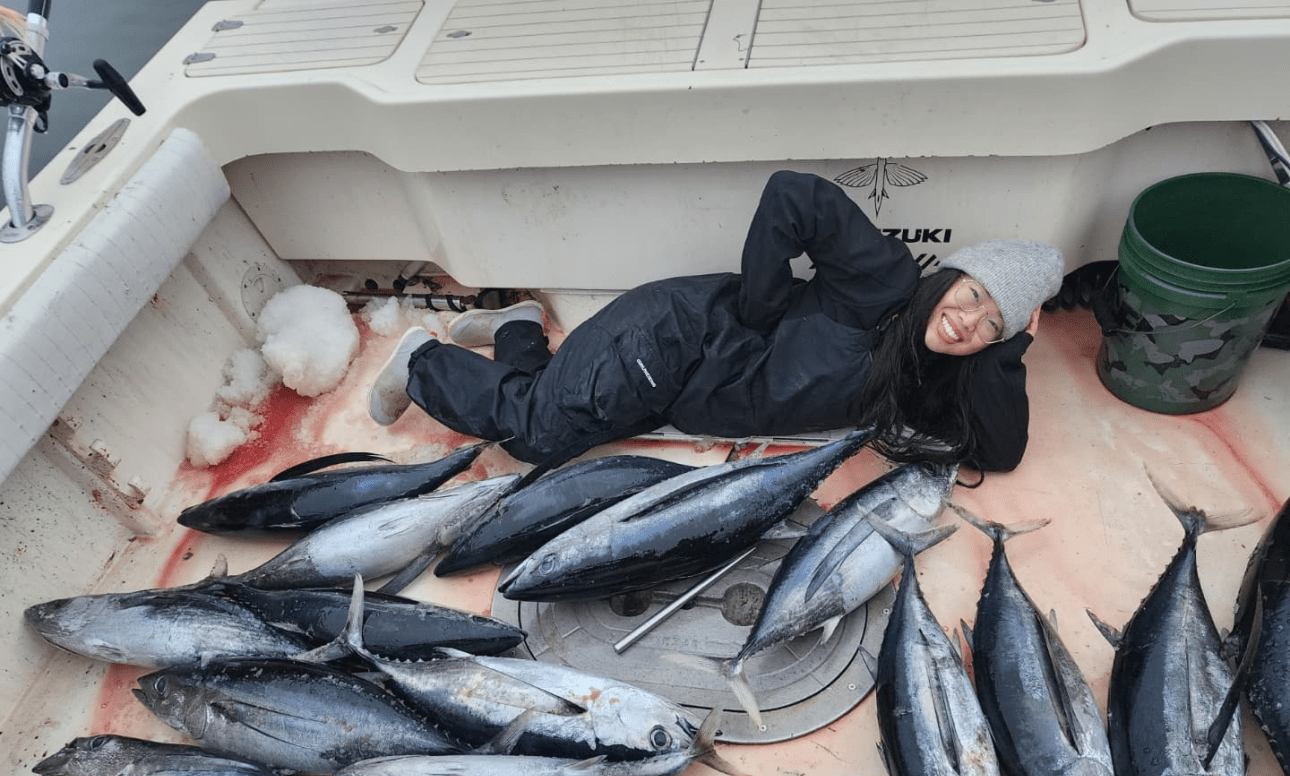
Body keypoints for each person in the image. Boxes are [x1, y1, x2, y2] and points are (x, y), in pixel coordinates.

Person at [369, 170, 1064, 472]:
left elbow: (999, 452)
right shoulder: (886, 280)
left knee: (556, 422)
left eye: (990, 323)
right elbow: (794, 197)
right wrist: (758, 313)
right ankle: (421, 362)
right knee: (538, 435)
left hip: (671, 392)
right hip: (672, 340)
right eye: (972, 293)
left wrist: (1010, 350)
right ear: (953, 273)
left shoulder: (930, 376)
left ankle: (519, 328)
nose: (967, 319)